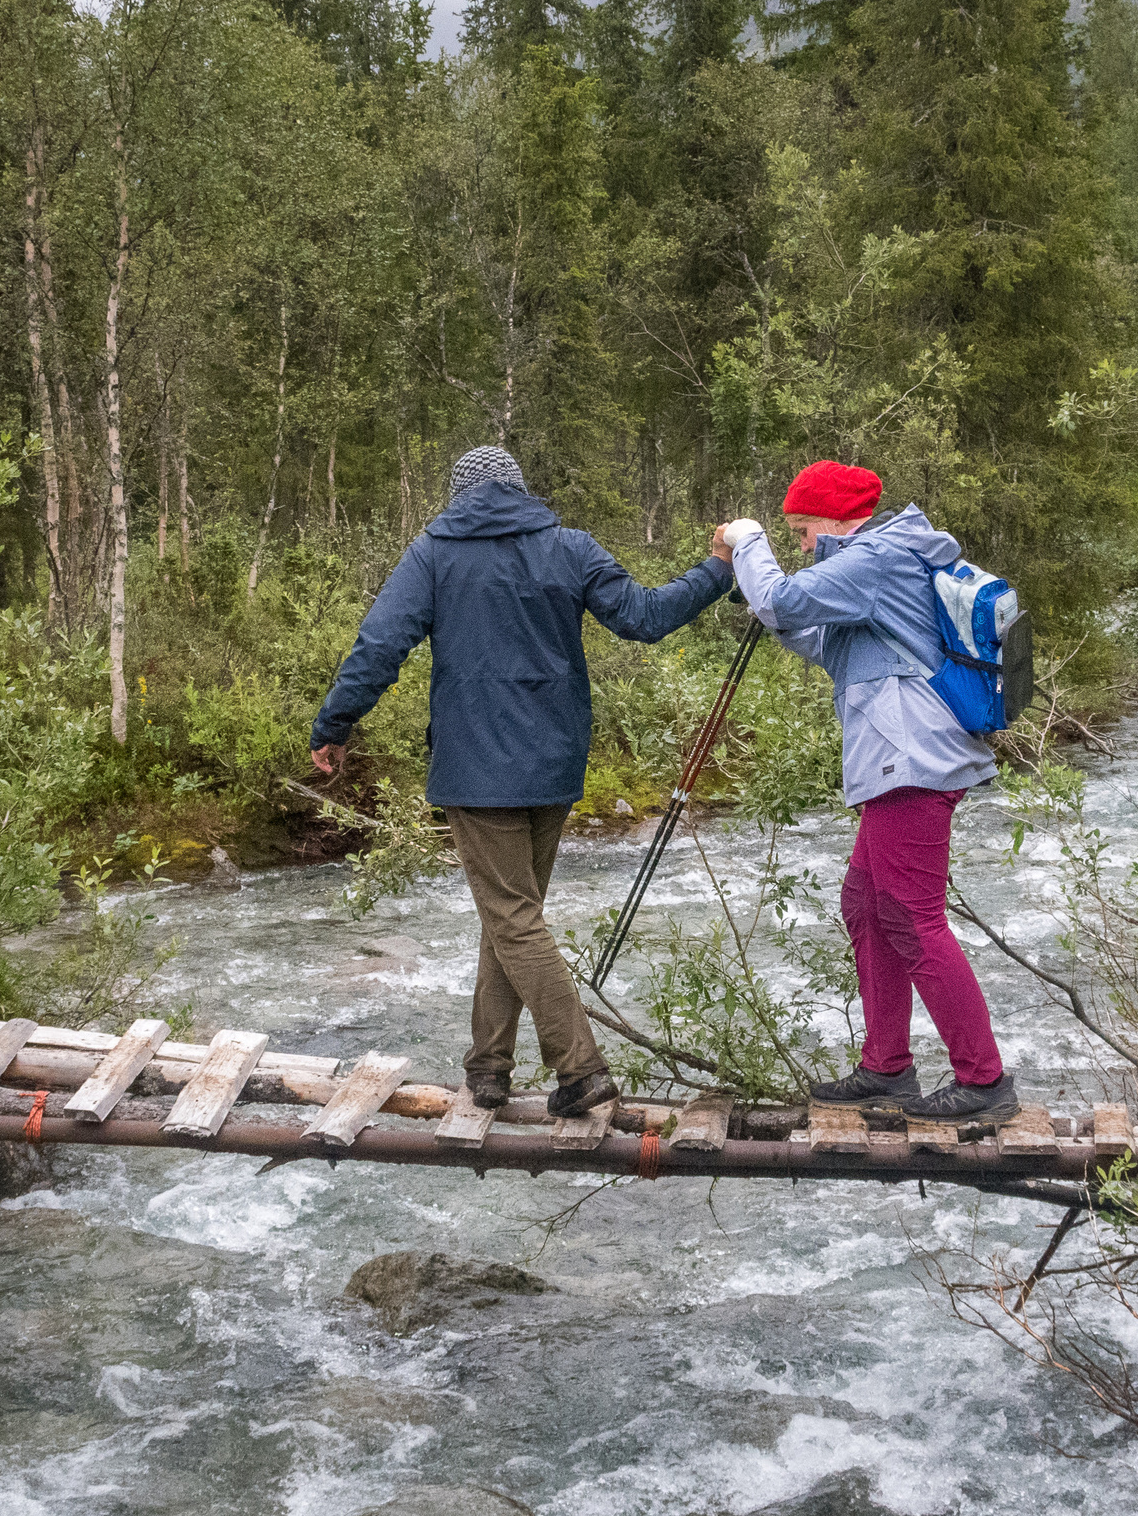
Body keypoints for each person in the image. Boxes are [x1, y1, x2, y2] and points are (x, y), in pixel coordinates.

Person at [311, 446, 734, 1118]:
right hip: (555, 763)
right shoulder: (569, 547)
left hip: (476, 769)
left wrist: (335, 723)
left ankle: (580, 1066)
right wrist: (718, 569)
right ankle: (488, 1068)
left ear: (459, 497)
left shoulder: (434, 553)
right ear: (518, 490)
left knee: (512, 915)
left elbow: (380, 643)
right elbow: (646, 618)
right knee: (511, 913)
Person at [715, 461, 1018, 1123]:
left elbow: (787, 602)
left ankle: (984, 1080)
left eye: (800, 530)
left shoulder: (877, 556)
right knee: (865, 904)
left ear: (829, 521)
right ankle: (887, 1068)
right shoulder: (877, 564)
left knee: (912, 917)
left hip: (913, 762)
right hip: (896, 762)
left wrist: (750, 540)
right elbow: (821, 640)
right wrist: (751, 580)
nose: (799, 543)